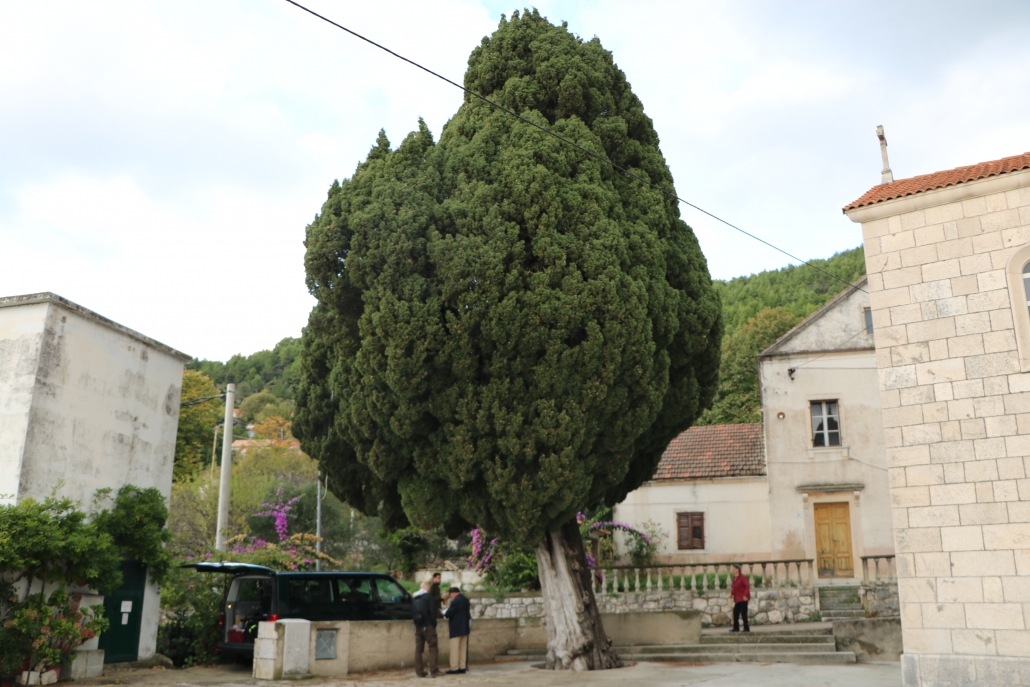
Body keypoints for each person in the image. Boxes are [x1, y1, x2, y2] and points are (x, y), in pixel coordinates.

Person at [412, 574, 442, 678]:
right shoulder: (428, 596)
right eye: (428, 588)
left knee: (418, 650)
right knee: (433, 647)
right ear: (426, 588)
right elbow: (432, 611)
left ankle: (419, 671)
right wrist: (433, 623)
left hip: (418, 626)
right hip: (428, 626)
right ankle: (434, 670)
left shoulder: (415, 597)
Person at [442, 586, 471, 674]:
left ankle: (454, 668)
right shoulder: (466, 600)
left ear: (453, 593)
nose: (451, 597)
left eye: (451, 595)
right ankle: (462, 666)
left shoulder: (455, 601)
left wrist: (445, 613)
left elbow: (449, 613)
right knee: (463, 648)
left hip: (456, 627)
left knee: (455, 648)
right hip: (465, 627)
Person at [730, 564, 751, 633]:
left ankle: (746, 627)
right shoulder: (734, 578)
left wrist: (745, 595)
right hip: (737, 598)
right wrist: (732, 594)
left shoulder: (742, 577)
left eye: (734, 569)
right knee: (735, 612)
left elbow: (747, 586)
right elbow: (734, 587)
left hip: (743, 598)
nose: (733, 570)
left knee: (743, 613)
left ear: (738, 570)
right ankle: (736, 627)